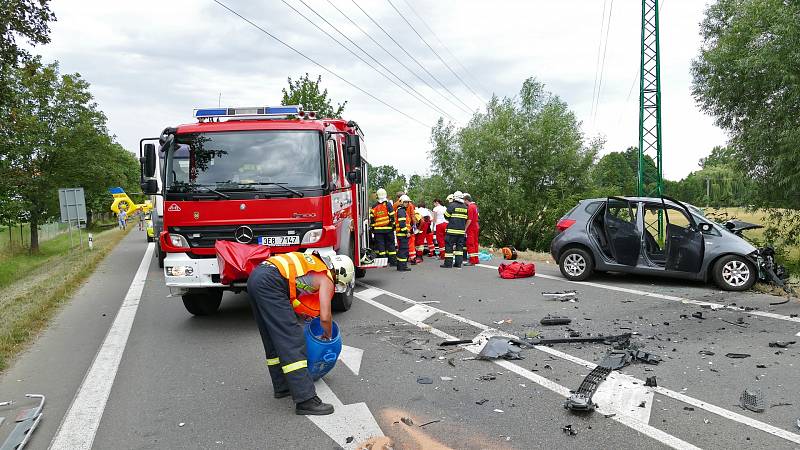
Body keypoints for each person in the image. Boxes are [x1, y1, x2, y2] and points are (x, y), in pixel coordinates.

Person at [246, 251, 354, 415]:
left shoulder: (312, 264)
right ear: (340, 274)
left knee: (272, 338)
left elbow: (293, 290)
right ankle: (306, 399)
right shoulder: (326, 278)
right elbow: (325, 317)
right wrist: (327, 335)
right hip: (271, 282)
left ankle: (282, 386)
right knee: (293, 340)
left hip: (257, 277)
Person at [369, 188, 396, 266]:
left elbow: (372, 219)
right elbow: (392, 216)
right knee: (391, 245)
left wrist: (373, 228)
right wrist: (393, 225)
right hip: (388, 229)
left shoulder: (374, 206)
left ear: (377, 196)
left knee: (381, 246)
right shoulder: (388, 204)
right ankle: (393, 261)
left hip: (378, 231)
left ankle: (383, 262)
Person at [441, 191, 468, 268]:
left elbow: (446, 216)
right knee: (459, 249)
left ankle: (448, 264)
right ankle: (458, 263)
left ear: (455, 197)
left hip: (452, 230)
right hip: (461, 231)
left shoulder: (452, 205)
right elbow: (466, 218)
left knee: (449, 247)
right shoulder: (465, 207)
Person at [394, 195, 412, 271]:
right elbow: (402, 224)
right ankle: (402, 267)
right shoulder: (401, 211)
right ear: (401, 202)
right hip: (402, 234)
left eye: (407, 202)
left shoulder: (401, 210)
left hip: (401, 233)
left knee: (401, 250)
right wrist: (406, 232)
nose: (407, 204)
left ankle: (400, 266)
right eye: (405, 202)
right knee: (403, 250)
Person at [463, 193, 480, 266]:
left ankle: (472, 260)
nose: (464, 202)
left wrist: (465, 228)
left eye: (464, 201)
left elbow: (469, 220)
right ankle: (476, 259)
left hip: (471, 227)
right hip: (476, 226)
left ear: (466, 200)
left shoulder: (470, 207)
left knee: (470, 243)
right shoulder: (475, 206)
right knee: (475, 243)